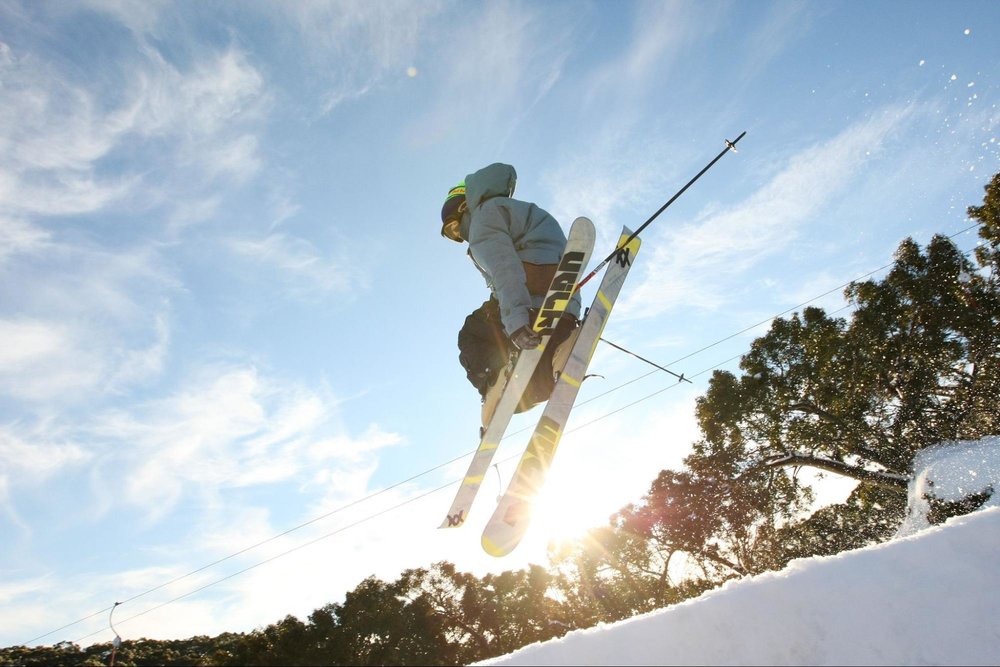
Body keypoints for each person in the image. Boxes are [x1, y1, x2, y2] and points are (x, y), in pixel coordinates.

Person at [440, 162, 581, 427]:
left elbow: (505, 268)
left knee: (472, 332)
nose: (459, 237)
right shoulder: (516, 210)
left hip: (528, 299)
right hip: (560, 305)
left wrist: (515, 321)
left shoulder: (483, 217)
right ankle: (559, 350)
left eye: (454, 229)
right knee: (526, 393)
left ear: (462, 208)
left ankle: (492, 378)